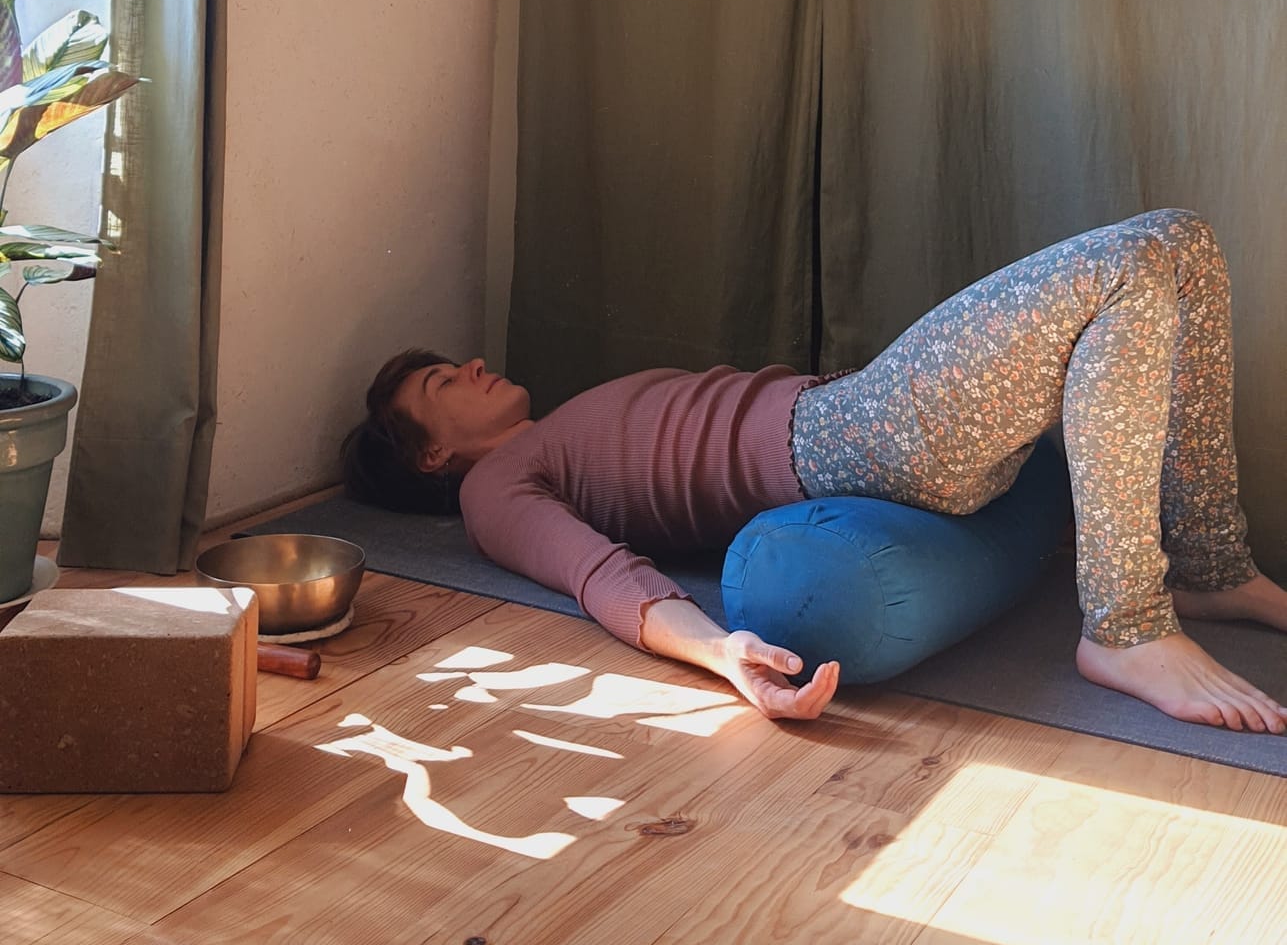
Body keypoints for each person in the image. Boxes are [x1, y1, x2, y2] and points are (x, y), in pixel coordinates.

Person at [342, 209, 1287, 732]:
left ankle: (1205, 565)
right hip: (855, 438)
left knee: (1182, 250)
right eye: (440, 382)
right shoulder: (490, 489)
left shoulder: (556, 432)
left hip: (862, 414)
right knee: (1142, 250)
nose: (469, 366)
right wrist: (720, 653)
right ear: (432, 452)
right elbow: (597, 575)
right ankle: (1123, 623)